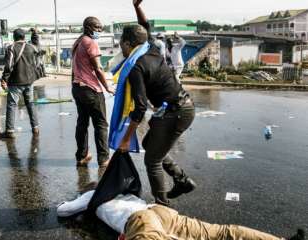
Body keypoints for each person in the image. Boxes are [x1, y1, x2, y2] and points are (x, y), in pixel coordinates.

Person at [116, 0, 196, 206]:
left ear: (127, 44)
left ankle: (162, 206)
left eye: (121, 43)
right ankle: (182, 180)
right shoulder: (149, 48)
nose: (120, 47)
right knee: (148, 144)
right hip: (181, 107)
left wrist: (125, 139)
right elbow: (145, 26)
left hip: (175, 112)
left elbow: (140, 108)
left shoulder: (135, 67)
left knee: (152, 161)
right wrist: (136, 7)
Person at [57, 190, 305, 240]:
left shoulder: (92, 195)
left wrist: (82, 198)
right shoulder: (125, 192)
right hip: (160, 212)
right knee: (223, 232)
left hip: (141, 221)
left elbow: (64, 210)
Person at [71, 16, 114, 167]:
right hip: (91, 89)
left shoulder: (78, 41)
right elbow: (98, 68)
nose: (99, 31)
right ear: (88, 27)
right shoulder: (91, 43)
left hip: (77, 88)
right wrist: (107, 87)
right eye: (97, 28)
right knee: (101, 124)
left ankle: (82, 156)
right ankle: (104, 159)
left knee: (82, 123)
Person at [0, 28, 39, 139]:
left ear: (14, 37)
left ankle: (10, 131)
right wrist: (34, 33)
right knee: (30, 104)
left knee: (12, 105)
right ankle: (35, 128)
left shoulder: (11, 48)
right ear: (24, 37)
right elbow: (37, 45)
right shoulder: (31, 47)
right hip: (29, 81)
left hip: (16, 82)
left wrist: (4, 79)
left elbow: (8, 66)